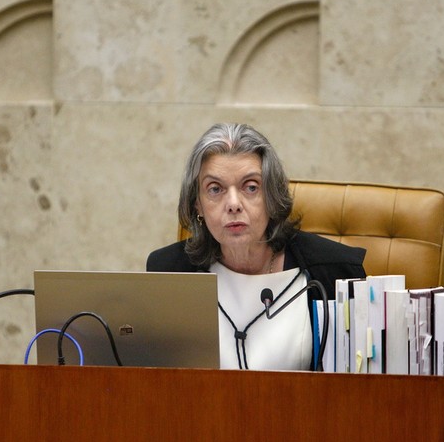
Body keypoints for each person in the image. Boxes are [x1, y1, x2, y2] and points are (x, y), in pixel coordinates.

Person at [147, 123, 366, 371]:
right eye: (215, 189)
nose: (233, 204)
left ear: (271, 197)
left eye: (251, 187)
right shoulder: (167, 272)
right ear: (197, 204)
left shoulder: (334, 271)